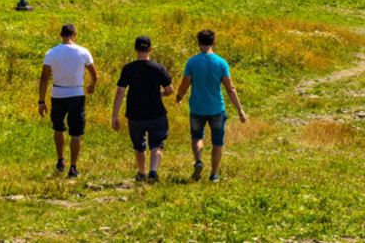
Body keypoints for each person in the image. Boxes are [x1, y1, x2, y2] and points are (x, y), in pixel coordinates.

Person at [176, 29, 248, 182]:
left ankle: (199, 161)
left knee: (196, 137)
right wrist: (240, 109)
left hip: (197, 108)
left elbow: (185, 84)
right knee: (217, 142)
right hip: (216, 109)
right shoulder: (221, 63)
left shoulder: (192, 62)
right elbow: (230, 88)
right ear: (214, 43)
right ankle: (214, 174)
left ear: (198, 43)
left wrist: (179, 96)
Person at [38, 23, 98, 179]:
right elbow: (94, 74)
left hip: (58, 93)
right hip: (76, 93)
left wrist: (41, 101)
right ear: (75, 34)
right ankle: (73, 167)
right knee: (76, 132)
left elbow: (44, 78)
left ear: (60, 34)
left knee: (59, 128)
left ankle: (60, 160)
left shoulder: (51, 53)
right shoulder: (83, 52)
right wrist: (91, 86)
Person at [111, 35, 173, 183]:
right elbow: (170, 89)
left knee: (139, 145)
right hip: (156, 113)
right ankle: (153, 171)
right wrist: (162, 93)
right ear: (150, 49)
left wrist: (115, 115)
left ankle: (141, 172)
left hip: (135, 114)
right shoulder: (158, 68)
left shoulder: (128, 69)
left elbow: (120, 92)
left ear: (135, 49)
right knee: (157, 143)